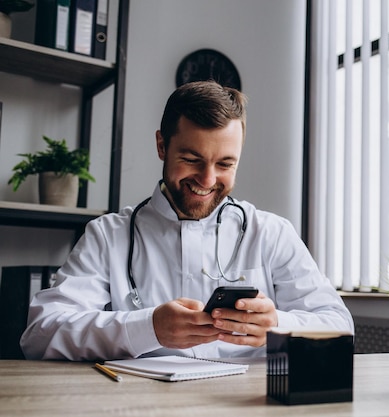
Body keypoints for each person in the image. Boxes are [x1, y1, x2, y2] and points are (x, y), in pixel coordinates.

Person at [20, 80, 354, 361]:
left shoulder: (271, 233)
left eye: (225, 164)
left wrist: (277, 324)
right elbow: (40, 335)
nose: (208, 180)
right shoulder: (107, 236)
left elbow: (339, 325)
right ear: (162, 146)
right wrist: (147, 327)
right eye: (192, 159)